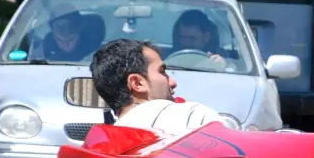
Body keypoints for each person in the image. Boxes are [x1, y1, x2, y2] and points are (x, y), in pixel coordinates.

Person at [90, 39, 232, 136]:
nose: (172, 82)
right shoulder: (195, 116)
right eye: (162, 72)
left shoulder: (99, 148)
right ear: (137, 83)